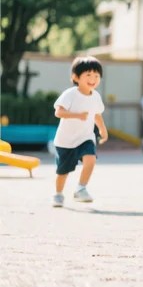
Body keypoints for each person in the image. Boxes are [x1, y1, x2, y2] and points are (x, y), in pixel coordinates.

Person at [52, 56, 109, 207]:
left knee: (91, 158)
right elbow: (58, 112)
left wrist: (103, 130)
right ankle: (58, 194)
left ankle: (81, 188)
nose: (93, 79)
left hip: (85, 137)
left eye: (96, 75)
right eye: (88, 75)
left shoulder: (96, 96)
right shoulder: (70, 94)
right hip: (65, 141)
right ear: (76, 77)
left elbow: (97, 114)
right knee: (62, 172)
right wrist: (76, 115)